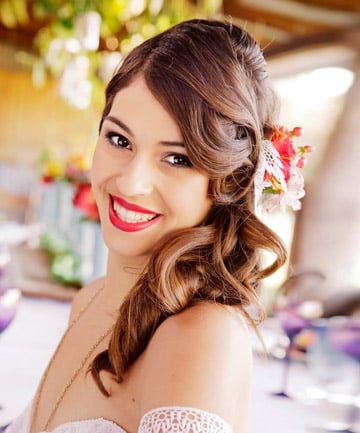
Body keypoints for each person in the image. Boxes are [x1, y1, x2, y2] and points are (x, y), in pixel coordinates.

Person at [5, 18, 290, 433]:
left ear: (228, 182)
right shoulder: (89, 300)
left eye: (178, 158)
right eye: (120, 140)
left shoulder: (201, 338)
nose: (131, 182)